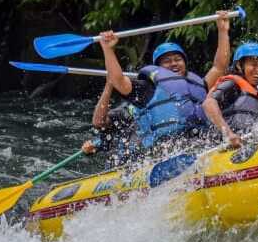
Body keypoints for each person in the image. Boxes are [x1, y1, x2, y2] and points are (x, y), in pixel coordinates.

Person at [81, 11, 232, 159]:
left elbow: (219, 67)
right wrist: (108, 49)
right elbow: (119, 81)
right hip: (167, 149)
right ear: (158, 68)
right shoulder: (148, 88)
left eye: (177, 59)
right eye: (167, 61)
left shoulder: (199, 84)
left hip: (201, 143)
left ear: (185, 62)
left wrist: (223, 31)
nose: (173, 63)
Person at [202, 42, 258, 148]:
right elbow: (208, 103)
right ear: (239, 65)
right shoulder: (232, 84)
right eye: (253, 65)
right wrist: (228, 134)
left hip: (248, 146)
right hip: (223, 147)